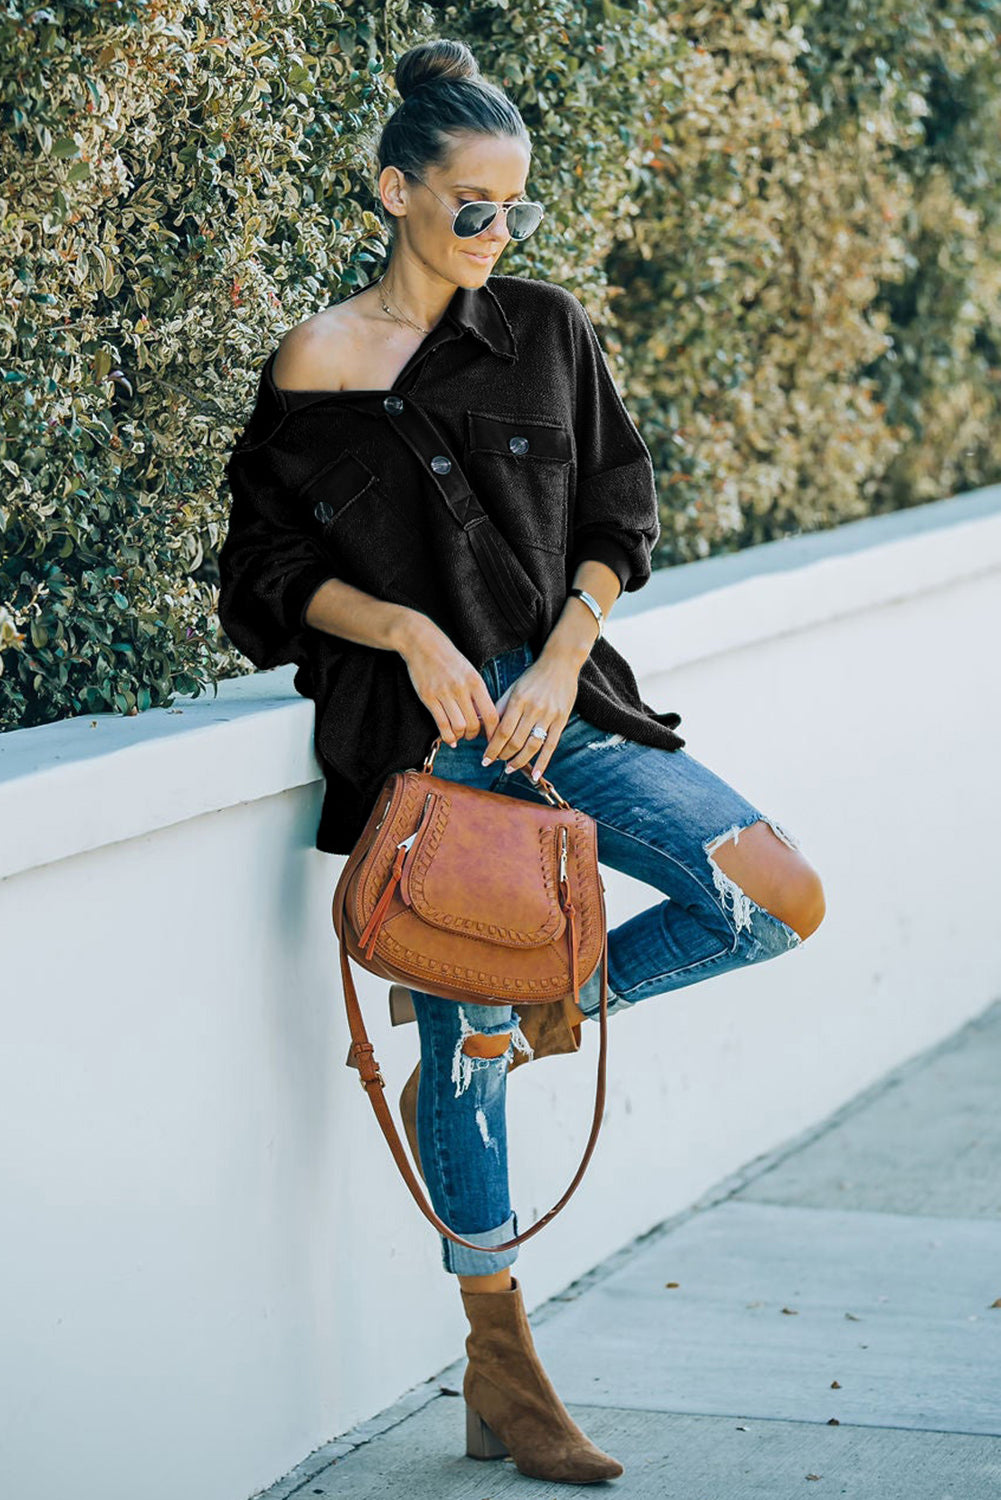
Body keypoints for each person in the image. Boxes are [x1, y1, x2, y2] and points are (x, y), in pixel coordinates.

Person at [216, 36, 826, 1486]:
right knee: (463, 1059)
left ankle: (536, 997)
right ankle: (502, 1365)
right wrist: (405, 630)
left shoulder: (547, 330)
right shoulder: (319, 359)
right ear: (395, 193)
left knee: (772, 899)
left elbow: (621, 515)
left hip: (566, 712)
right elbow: (263, 570)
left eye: (514, 208)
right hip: (422, 750)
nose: (495, 233)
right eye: (470, 205)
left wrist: (560, 656)